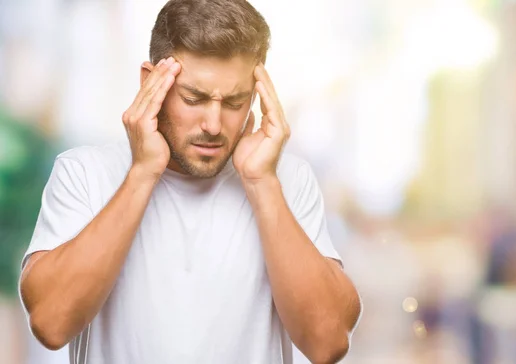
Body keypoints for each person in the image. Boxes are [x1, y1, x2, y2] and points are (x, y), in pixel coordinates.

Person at [18, 1, 362, 363]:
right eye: (193, 98)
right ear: (151, 83)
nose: (213, 125)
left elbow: (328, 343)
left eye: (234, 101)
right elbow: (51, 324)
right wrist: (143, 173)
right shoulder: (84, 174)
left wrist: (262, 183)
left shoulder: (287, 180)